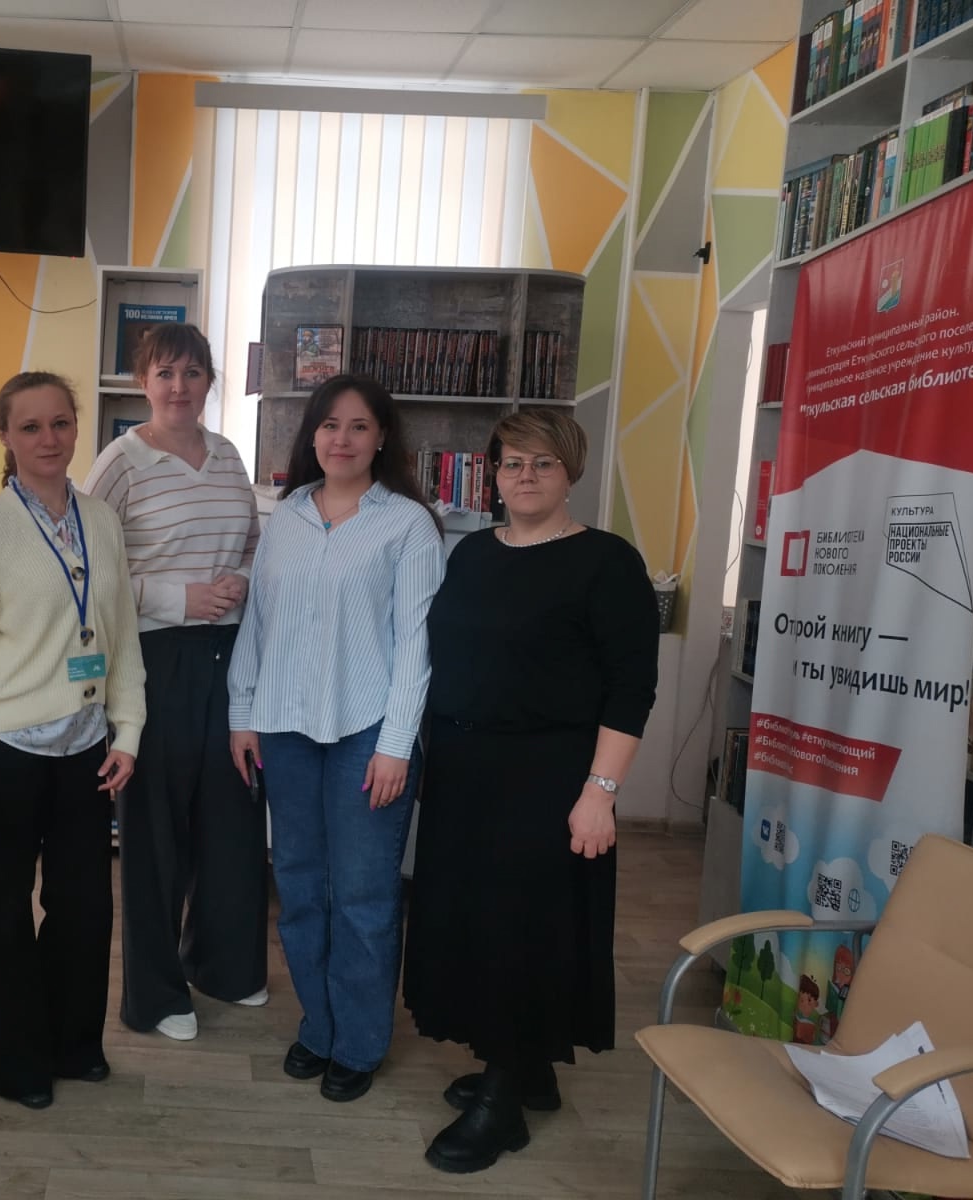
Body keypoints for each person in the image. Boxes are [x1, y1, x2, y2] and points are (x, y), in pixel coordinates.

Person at [402, 408, 658, 1175]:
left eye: (542, 462)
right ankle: (525, 1068)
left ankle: (503, 1104)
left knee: (523, 932)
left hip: (549, 776)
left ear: (570, 470)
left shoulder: (607, 563)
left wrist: (600, 792)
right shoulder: (473, 553)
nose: (525, 476)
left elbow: (631, 689)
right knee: (474, 925)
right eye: (512, 462)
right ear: (494, 473)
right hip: (463, 771)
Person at [0, 371, 145, 1110]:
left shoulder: (100, 521)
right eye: (30, 427)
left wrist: (128, 731)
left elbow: (122, 640)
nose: (48, 439)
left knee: (85, 910)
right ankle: (14, 1064)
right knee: (5, 915)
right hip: (4, 753)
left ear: (77, 428)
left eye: (60, 423)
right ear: (5, 437)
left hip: (87, 750)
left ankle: (73, 1044)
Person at [227, 374, 444, 1104]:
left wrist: (396, 744)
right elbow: (259, 624)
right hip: (284, 728)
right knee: (298, 889)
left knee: (363, 896)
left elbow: (416, 646)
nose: (341, 439)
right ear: (311, 436)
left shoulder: (408, 526)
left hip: (368, 735)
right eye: (329, 425)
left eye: (358, 426)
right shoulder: (285, 516)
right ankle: (318, 1026)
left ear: (382, 438)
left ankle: (358, 1042)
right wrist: (242, 714)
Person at [83, 324, 267, 1043]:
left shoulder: (227, 456)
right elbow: (88, 567)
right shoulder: (120, 462)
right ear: (143, 383)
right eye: (164, 373)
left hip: (230, 655)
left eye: (193, 372)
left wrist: (237, 582)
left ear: (209, 381)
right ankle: (156, 995)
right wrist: (177, 597)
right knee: (155, 833)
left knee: (231, 817)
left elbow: (253, 545)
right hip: (153, 659)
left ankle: (224, 966)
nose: (179, 387)